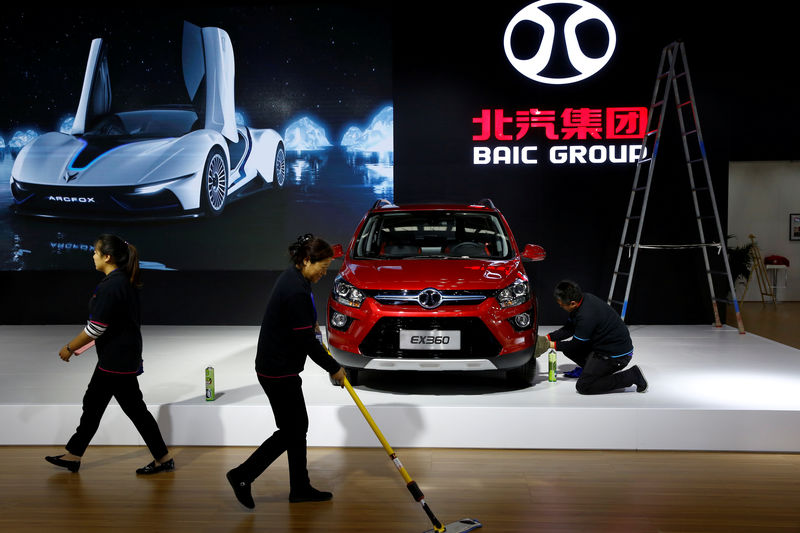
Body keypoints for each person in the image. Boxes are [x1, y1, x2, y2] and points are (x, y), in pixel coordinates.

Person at [226, 234, 346, 509]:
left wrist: (312, 327)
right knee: (292, 429)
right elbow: (305, 341)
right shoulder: (295, 290)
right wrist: (335, 368)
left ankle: (299, 487)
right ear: (306, 261)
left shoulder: (295, 279)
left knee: (295, 427)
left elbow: (303, 328)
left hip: (277, 367)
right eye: (323, 265)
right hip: (277, 371)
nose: (325, 271)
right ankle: (243, 475)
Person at [45, 234, 173, 474]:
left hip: (116, 361)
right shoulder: (122, 281)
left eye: (95, 252)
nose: (92, 256)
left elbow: (96, 328)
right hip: (120, 358)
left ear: (107, 257)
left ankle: (75, 455)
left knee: (101, 406)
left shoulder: (112, 285)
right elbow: (112, 325)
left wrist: (70, 348)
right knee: (109, 406)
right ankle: (161, 458)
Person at [542, 280, 647, 394]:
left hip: (617, 356)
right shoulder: (582, 301)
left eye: (561, 305)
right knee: (568, 350)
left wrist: (547, 345)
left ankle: (631, 375)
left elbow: (575, 345)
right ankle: (592, 371)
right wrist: (546, 338)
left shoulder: (586, 315)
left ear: (572, 303)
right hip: (602, 347)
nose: (560, 306)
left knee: (584, 386)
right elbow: (568, 329)